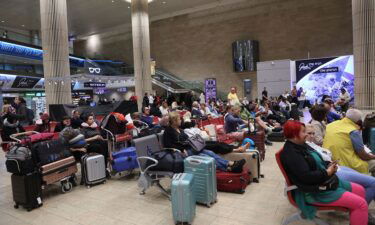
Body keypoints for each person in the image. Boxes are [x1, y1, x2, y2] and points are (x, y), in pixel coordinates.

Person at [280, 120, 369, 225]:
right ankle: (359, 213)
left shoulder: (300, 145)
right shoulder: (292, 154)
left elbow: (316, 160)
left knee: (360, 190)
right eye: (304, 132)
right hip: (314, 192)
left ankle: (358, 217)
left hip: (323, 182)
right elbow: (306, 177)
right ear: (294, 135)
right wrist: (327, 172)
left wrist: (328, 165)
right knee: (361, 204)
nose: (306, 135)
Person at [306, 124, 375, 207]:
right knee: (372, 182)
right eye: (309, 133)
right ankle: (362, 208)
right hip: (334, 173)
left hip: (337, 168)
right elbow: (362, 154)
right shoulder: (307, 147)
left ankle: (362, 205)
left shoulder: (311, 144)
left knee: (368, 180)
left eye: (313, 133)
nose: (312, 136)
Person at [163, 112, 245, 173]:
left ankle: (230, 165)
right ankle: (230, 166)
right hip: (183, 152)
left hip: (190, 148)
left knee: (210, 153)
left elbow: (187, 139)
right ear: (174, 121)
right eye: (179, 119)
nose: (181, 120)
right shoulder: (168, 131)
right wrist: (181, 149)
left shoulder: (179, 129)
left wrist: (193, 142)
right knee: (207, 152)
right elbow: (167, 145)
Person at [323, 109, 375, 175]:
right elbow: (363, 155)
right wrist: (373, 156)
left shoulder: (330, 125)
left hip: (330, 161)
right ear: (358, 120)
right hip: (346, 164)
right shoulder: (353, 131)